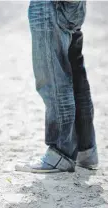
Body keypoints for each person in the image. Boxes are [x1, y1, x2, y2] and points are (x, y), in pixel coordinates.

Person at [16, 0, 98, 173]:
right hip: (73, 6)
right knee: (75, 74)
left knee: (52, 77)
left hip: (51, 5)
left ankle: (61, 152)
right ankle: (85, 149)